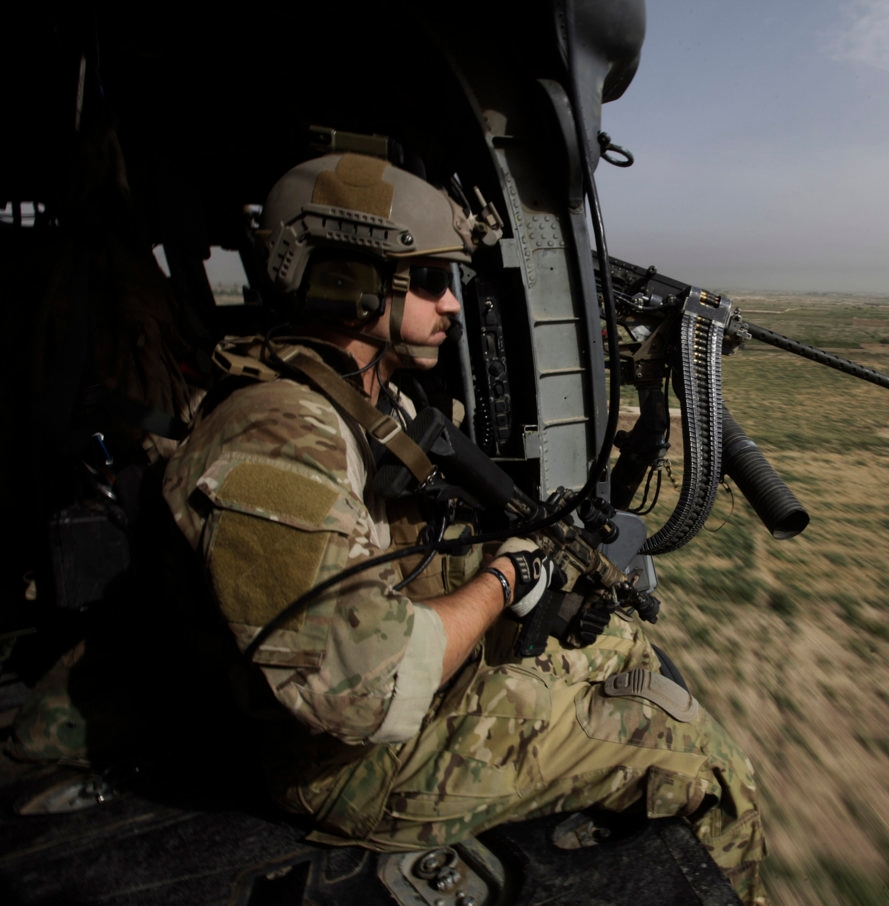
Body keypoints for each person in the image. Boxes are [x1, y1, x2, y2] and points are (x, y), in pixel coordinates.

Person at [160, 153, 767, 903]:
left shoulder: (360, 396)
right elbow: (364, 695)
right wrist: (505, 580)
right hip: (346, 769)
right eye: (431, 281)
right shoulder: (278, 440)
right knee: (698, 761)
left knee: (620, 647)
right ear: (351, 282)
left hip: (391, 702)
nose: (452, 304)